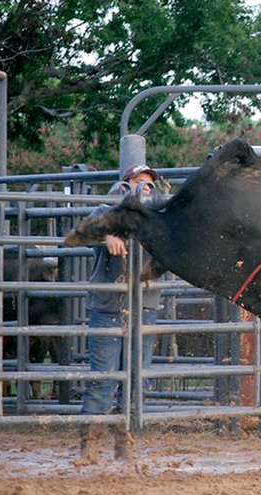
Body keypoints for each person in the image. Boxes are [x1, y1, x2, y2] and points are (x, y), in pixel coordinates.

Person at [78, 164, 162, 464]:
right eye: (140, 183)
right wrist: (108, 235)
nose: (146, 189)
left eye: (150, 184)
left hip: (144, 307)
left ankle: (123, 441)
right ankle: (89, 443)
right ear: (124, 187)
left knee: (134, 380)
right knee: (103, 379)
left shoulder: (157, 219)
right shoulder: (105, 211)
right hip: (108, 306)